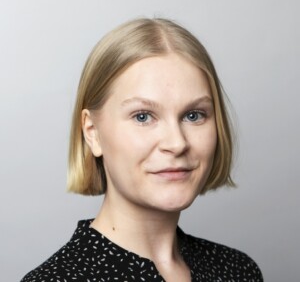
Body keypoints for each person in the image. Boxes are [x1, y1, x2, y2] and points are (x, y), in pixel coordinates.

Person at [21, 18, 263, 281]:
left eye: (193, 115)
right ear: (92, 132)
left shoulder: (238, 270)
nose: (177, 143)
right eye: (143, 116)